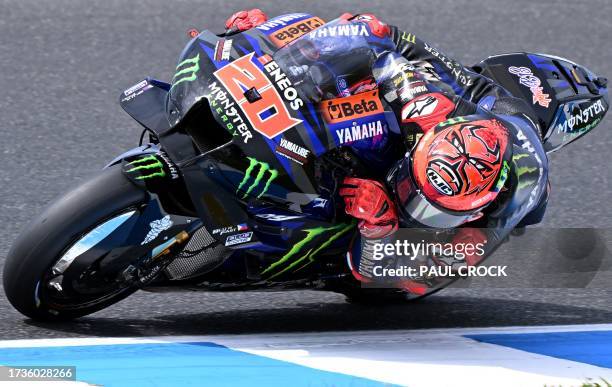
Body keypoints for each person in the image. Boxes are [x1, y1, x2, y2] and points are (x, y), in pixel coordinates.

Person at [224, 10, 549, 293]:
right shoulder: (418, 103)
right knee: (333, 43)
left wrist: (380, 228)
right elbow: (374, 35)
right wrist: (271, 43)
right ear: (421, 149)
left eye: (432, 210)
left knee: (376, 278)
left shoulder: (496, 215)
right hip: (444, 94)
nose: (409, 202)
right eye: (411, 189)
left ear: (478, 209)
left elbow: (411, 276)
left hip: (491, 139)